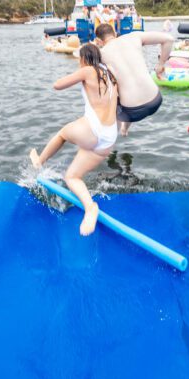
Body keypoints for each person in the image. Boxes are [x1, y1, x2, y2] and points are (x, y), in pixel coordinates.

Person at [29, 43, 118, 236]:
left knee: (62, 134)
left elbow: (57, 85)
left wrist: (79, 74)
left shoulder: (87, 70)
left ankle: (39, 162)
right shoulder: (110, 73)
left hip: (95, 130)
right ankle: (90, 208)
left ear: (84, 59)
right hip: (110, 136)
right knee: (72, 176)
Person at [94, 23, 172, 136]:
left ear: (98, 40)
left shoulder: (100, 54)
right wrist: (160, 66)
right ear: (115, 34)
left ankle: (116, 134)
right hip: (156, 100)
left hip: (131, 112)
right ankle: (125, 129)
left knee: (112, 96)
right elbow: (169, 39)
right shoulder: (134, 36)